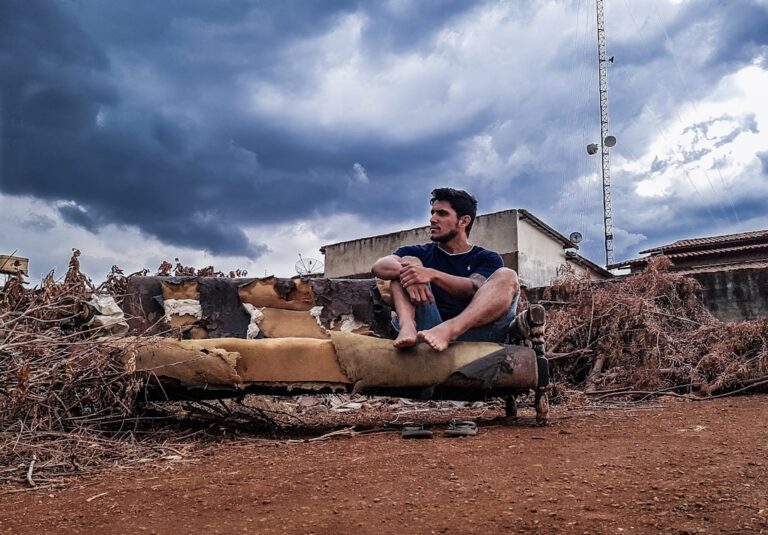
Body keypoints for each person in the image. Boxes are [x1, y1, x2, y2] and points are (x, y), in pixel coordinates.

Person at [372, 188, 519, 352]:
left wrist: (431, 275)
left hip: (475, 332)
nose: (432, 219)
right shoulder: (420, 252)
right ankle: (407, 326)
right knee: (407, 263)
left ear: (463, 221)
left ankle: (449, 330)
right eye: (432, 213)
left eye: (442, 213)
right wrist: (414, 271)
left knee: (508, 275)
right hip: (428, 329)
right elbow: (379, 266)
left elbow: (474, 287)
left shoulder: (486, 257)